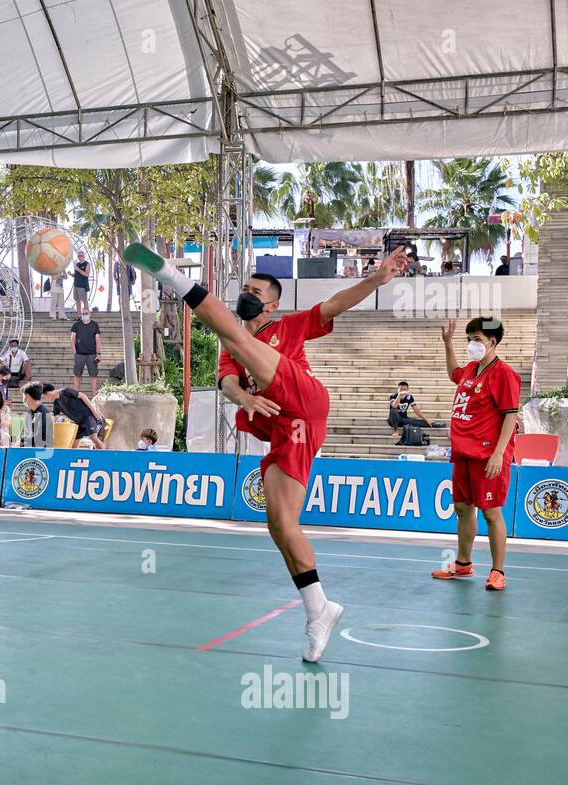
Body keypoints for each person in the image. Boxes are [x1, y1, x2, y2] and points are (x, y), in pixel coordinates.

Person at [122, 240, 410, 662]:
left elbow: (334, 305)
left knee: (233, 335)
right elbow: (226, 382)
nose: (247, 296)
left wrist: (376, 277)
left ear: (272, 306)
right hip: (284, 427)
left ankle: (168, 273)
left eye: (256, 293)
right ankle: (319, 609)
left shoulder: (288, 328)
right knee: (280, 523)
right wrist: (245, 399)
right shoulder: (232, 348)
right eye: (246, 289)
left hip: (306, 399)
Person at [431, 316, 521, 592]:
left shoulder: (504, 373)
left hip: (487, 456)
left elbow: (511, 416)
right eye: (469, 339)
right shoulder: (471, 369)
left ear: (492, 342)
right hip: (463, 452)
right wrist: (448, 344)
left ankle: (498, 572)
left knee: (491, 513)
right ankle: (463, 564)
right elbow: (453, 373)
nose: (472, 344)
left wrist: (498, 453)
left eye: (477, 340)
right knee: (462, 508)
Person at [41, 382, 106, 449]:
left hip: (88, 416)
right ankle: (74, 458)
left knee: (93, 438)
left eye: (45, 396)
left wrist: (95, 412)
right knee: (73, 444)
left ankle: (104, 456)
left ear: (48, 392)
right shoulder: (56, 403)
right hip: (78, 423)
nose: (46, 398)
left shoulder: (65, 391)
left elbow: (83, 396)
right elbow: (54, 418)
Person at [70, 312, 102, 394]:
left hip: (92, 354)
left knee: (93, 376)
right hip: (79, 354)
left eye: (86, 313)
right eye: (83, 313)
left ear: (90, 314)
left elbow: (98, 340)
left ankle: (95, 395)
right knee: (77, 375)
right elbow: (72, 339)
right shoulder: (76, 325)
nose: (85, 315)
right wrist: (75, 352)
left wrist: (98, 354)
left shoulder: (95, 325)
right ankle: (75, 395)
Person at [18, 382, 54, 447]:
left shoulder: (44, 413)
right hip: (29, 449)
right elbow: (28, 435)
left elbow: (39, 438)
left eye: (23, 395)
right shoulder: (29, 414)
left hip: (42, 452)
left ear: (27, 396)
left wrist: (21, 440)